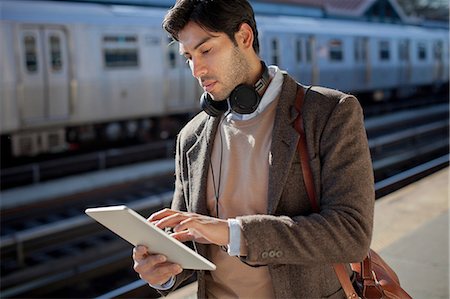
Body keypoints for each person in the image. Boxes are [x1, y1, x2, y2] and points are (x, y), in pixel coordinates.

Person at [132, 0, 375, 298]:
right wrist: (163, 271)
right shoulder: (191, 136)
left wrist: (232, 232)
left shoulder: (328, 113)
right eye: (188, 57)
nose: (197, 69)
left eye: (206, 50)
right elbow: (189, 240)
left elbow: (351, 234)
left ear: (244, 37)